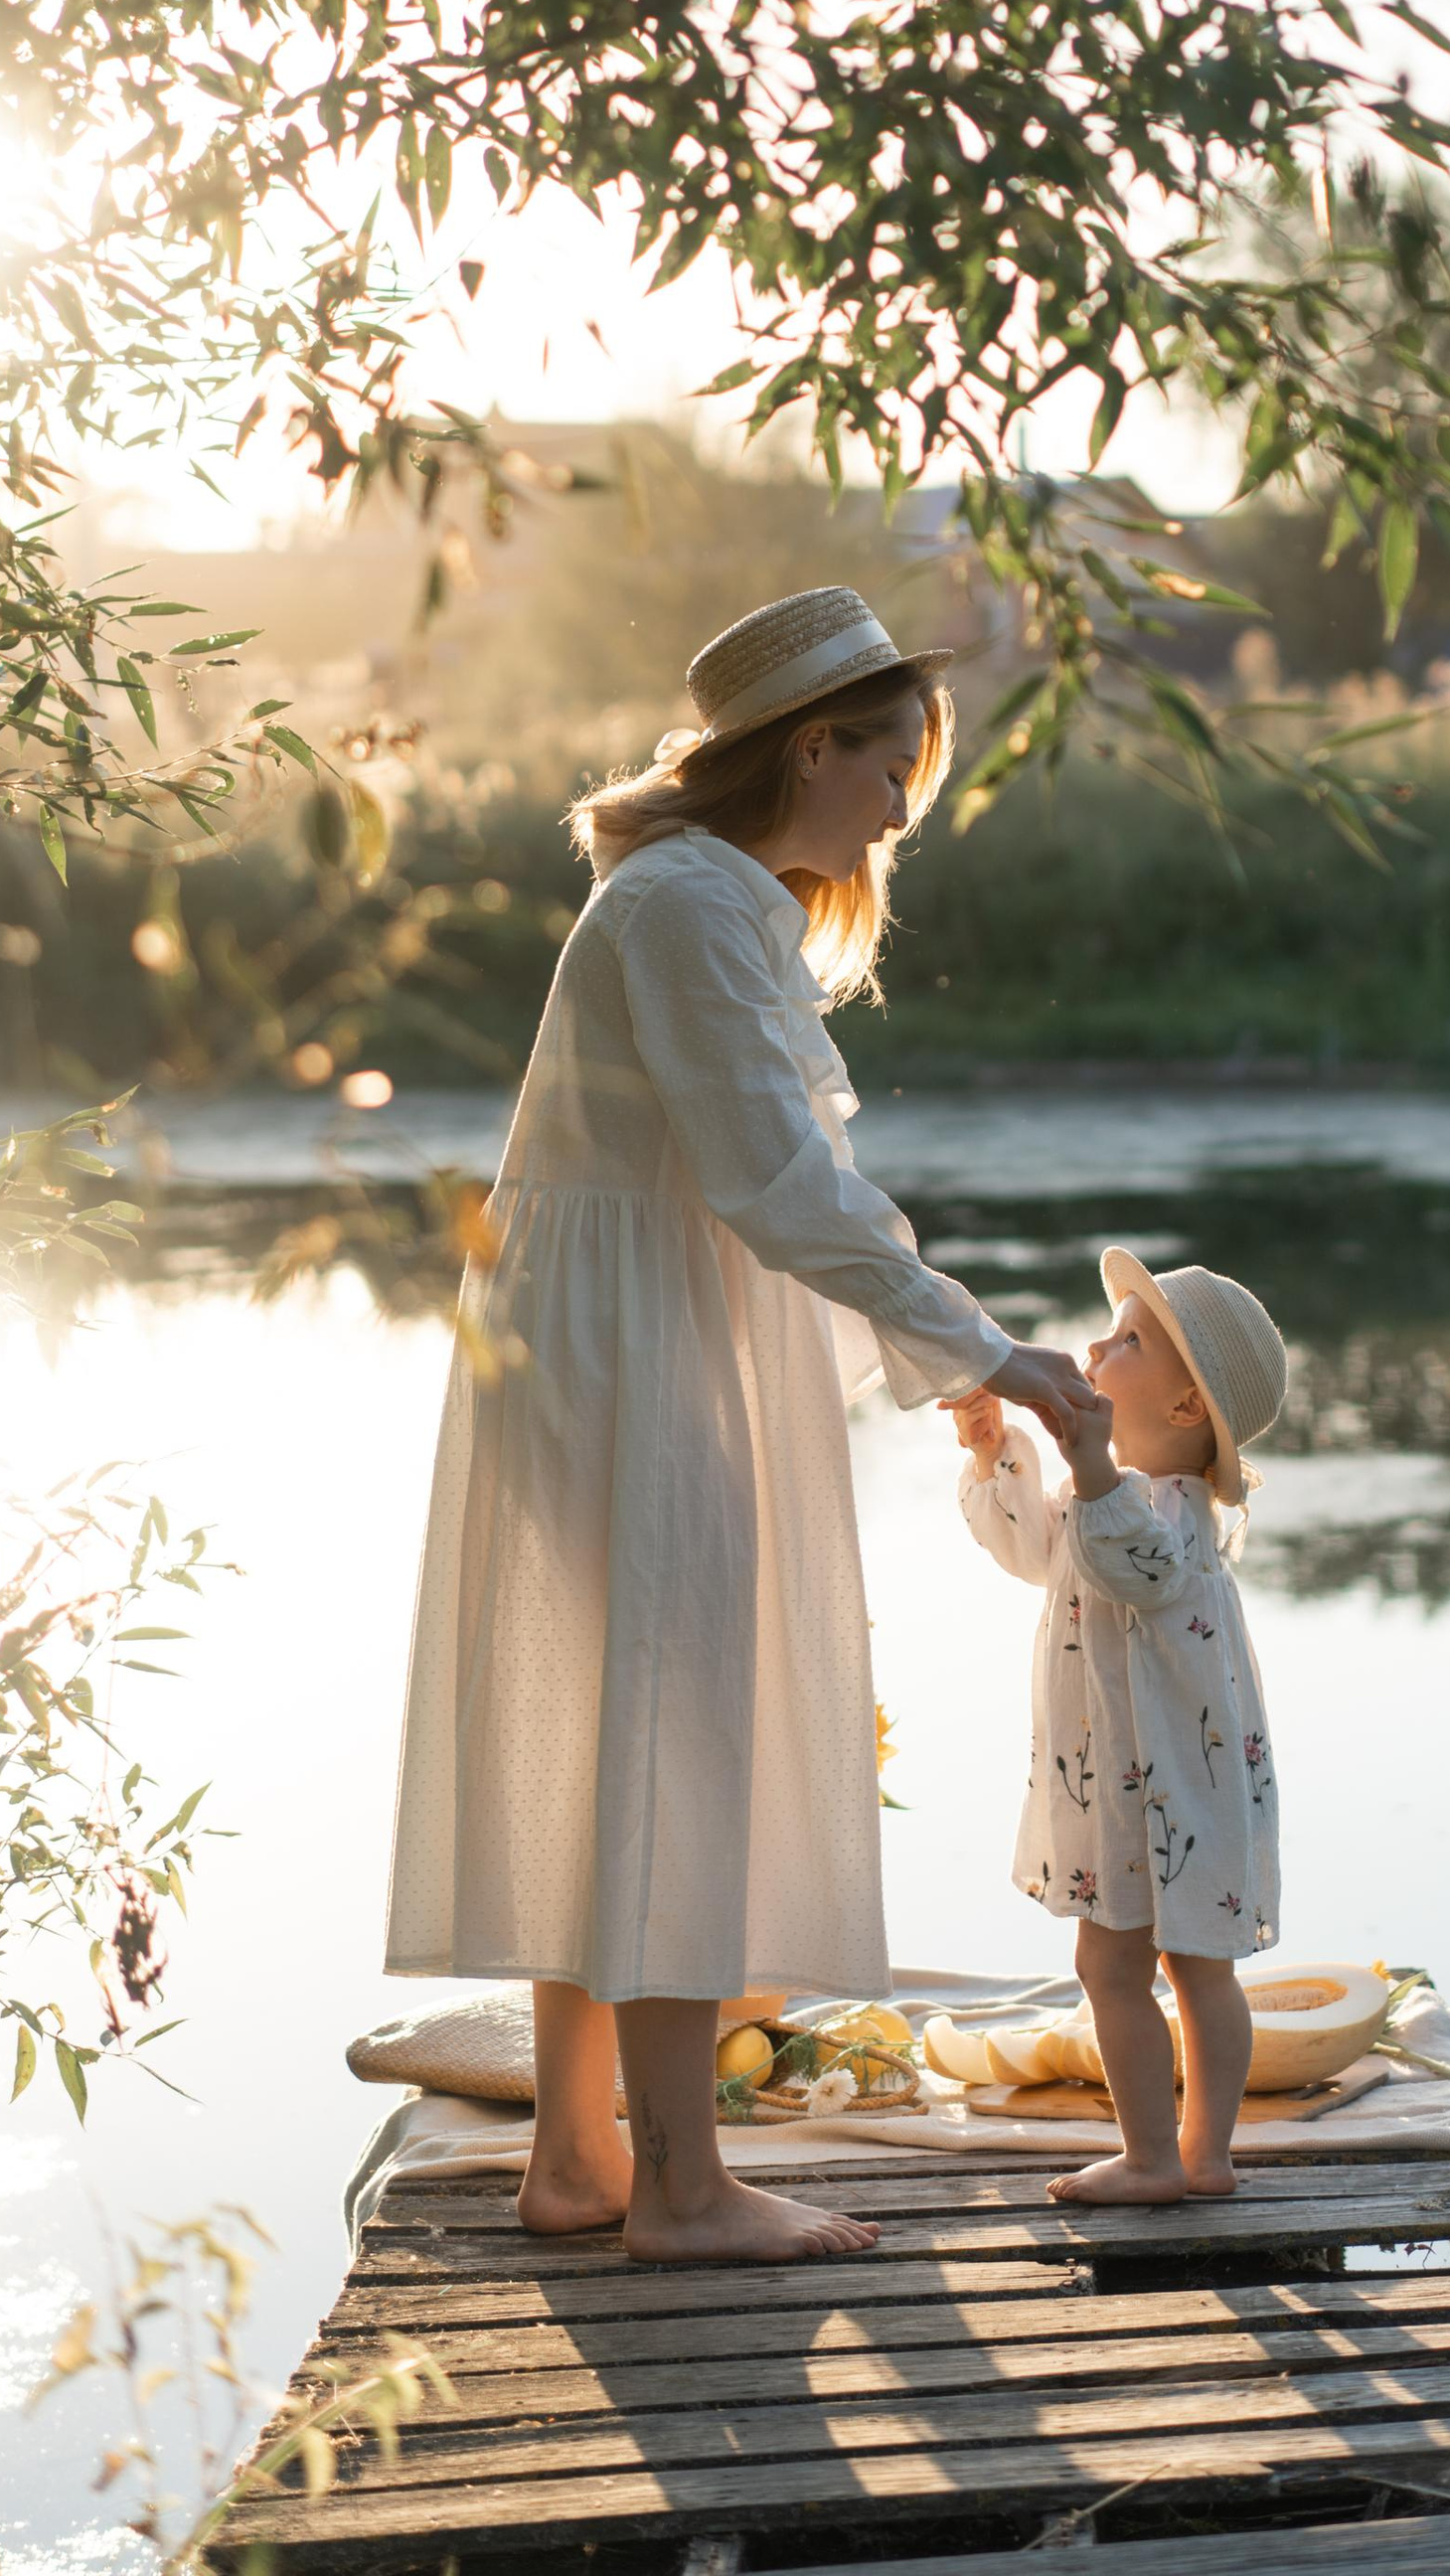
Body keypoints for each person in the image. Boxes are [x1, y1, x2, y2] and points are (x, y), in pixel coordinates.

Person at [384, 585, 1092, 2268]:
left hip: (621, 1330)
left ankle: (580, 2157)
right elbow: (777, 1184)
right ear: (812, 746)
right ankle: (685, 2193)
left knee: (622, 1724)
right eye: (894, 764)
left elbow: (774, 1183)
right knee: (677, 1730)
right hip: (636, 1350)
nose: (904, 806)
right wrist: (987, 1347)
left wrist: (941, 1355)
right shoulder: (693, 905)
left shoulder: (697, 895)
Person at [950, 1246, 1289, 2205]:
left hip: (1176, 1780)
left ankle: (1173, 2158)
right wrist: (994, 1450)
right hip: (1124, 1779)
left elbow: (1139, 1569)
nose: (1097, 1348)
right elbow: (1033, 1553)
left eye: (1130, 1340)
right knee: (1139, 1965)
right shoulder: (1101, 1495)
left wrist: (1093, 1464)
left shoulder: (1170, 1508)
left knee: (1167, 1966)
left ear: (1185, 1409)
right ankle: (1183, 2155)